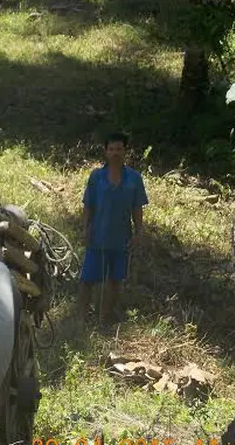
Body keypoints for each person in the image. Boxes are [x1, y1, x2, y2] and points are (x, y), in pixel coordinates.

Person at [77, 132, 148, 326]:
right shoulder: (96, 177)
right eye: (111, 149)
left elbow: (137, 207)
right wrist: (85, 227)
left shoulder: (134, 179)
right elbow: (88, 205)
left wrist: (139, 232)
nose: (115, 153)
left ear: (125, 151)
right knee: (88, 279)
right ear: (105, 152)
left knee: (115, 281)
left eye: (119, 149)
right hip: (97, 236)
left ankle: (104, 319)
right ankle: (82, 319)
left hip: (121, 238)